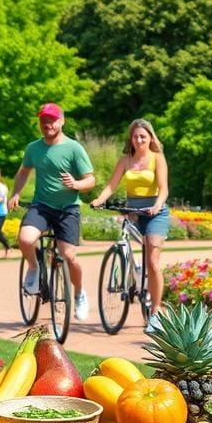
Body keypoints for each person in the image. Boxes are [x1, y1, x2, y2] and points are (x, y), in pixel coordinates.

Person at [8, 103, 95, 321]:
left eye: (52, 120)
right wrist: (16, 193)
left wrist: (75, 184)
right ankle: (33, 268)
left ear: (61, 121)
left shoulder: (74, 148)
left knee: (69, 256)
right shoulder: (33, 148)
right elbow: (23, 172)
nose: (47, 124)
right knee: (25, 239)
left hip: (68, 209)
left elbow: (91, 180)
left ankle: (79, 294)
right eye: (44, 120)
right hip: (42, 206)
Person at [90, 119, 170, 333]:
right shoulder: (126, 160)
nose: (139, 139)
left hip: (155, 212)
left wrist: (157, 204)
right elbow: (111, 185)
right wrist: (99, 199)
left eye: (143, 136)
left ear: (151, 137)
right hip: (134, 213)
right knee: (126, 241)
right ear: (131, 139)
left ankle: (155, 312)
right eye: (135, 136)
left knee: (152, 261)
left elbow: (163, 189)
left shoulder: (157, 158)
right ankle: (132, 277)